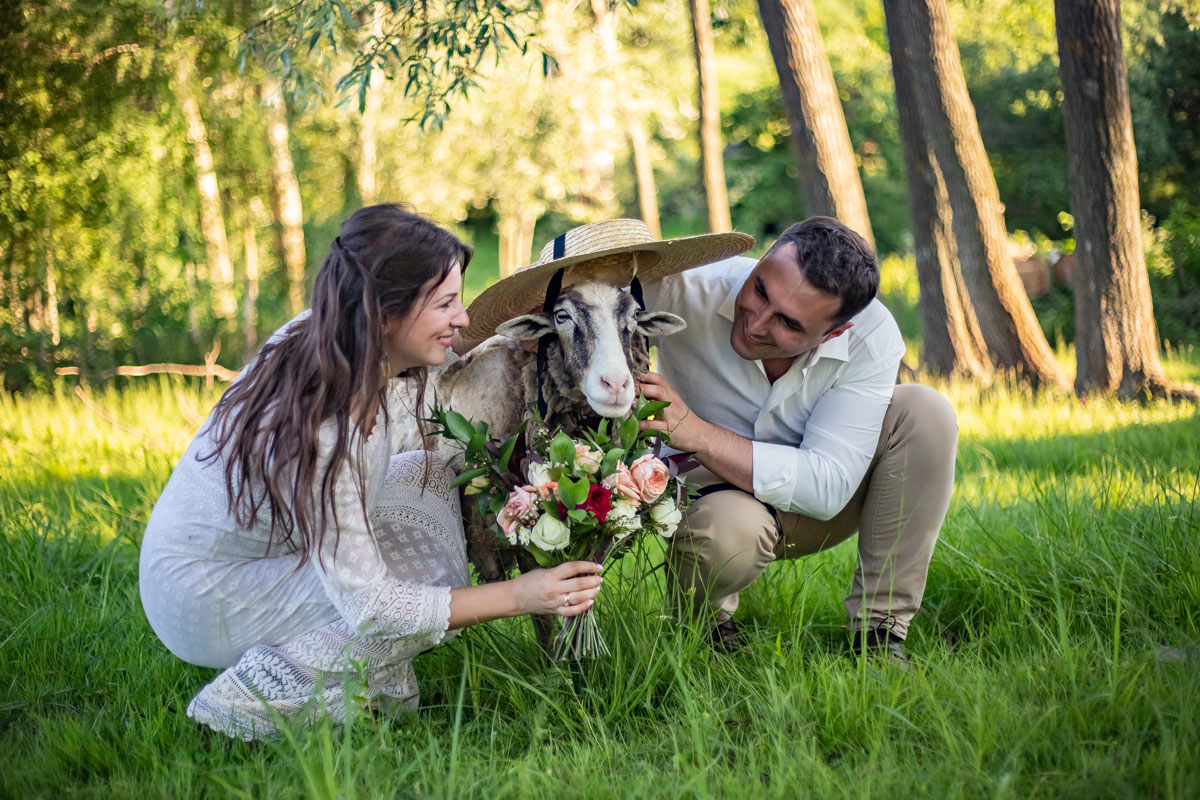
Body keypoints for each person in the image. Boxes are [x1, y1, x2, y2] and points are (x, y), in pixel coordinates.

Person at [139, 204, 603, 741]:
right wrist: (524, 594)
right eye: (447, 303)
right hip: (207, 594)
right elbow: (374, 605)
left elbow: (458, 351)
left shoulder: (336, 337)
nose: (463, 318)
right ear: (384, 314)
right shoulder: (325, 431)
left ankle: (360, 676)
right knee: (414, 597)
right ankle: (255, 691)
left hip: (271, 547)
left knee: (428, 475)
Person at [636, 216, 958, 662]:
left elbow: (826, 489)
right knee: (722, 532)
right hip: (713, 507)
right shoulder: (687, 290)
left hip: (821, 505)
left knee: (925, 412)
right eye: (761, 290)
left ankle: (880, 636)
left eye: (788, 323)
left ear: (834, 332)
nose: (756, 323)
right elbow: (572, 302)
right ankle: (703, 625)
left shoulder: (870, 336)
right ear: (763, 259)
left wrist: (698, 433)